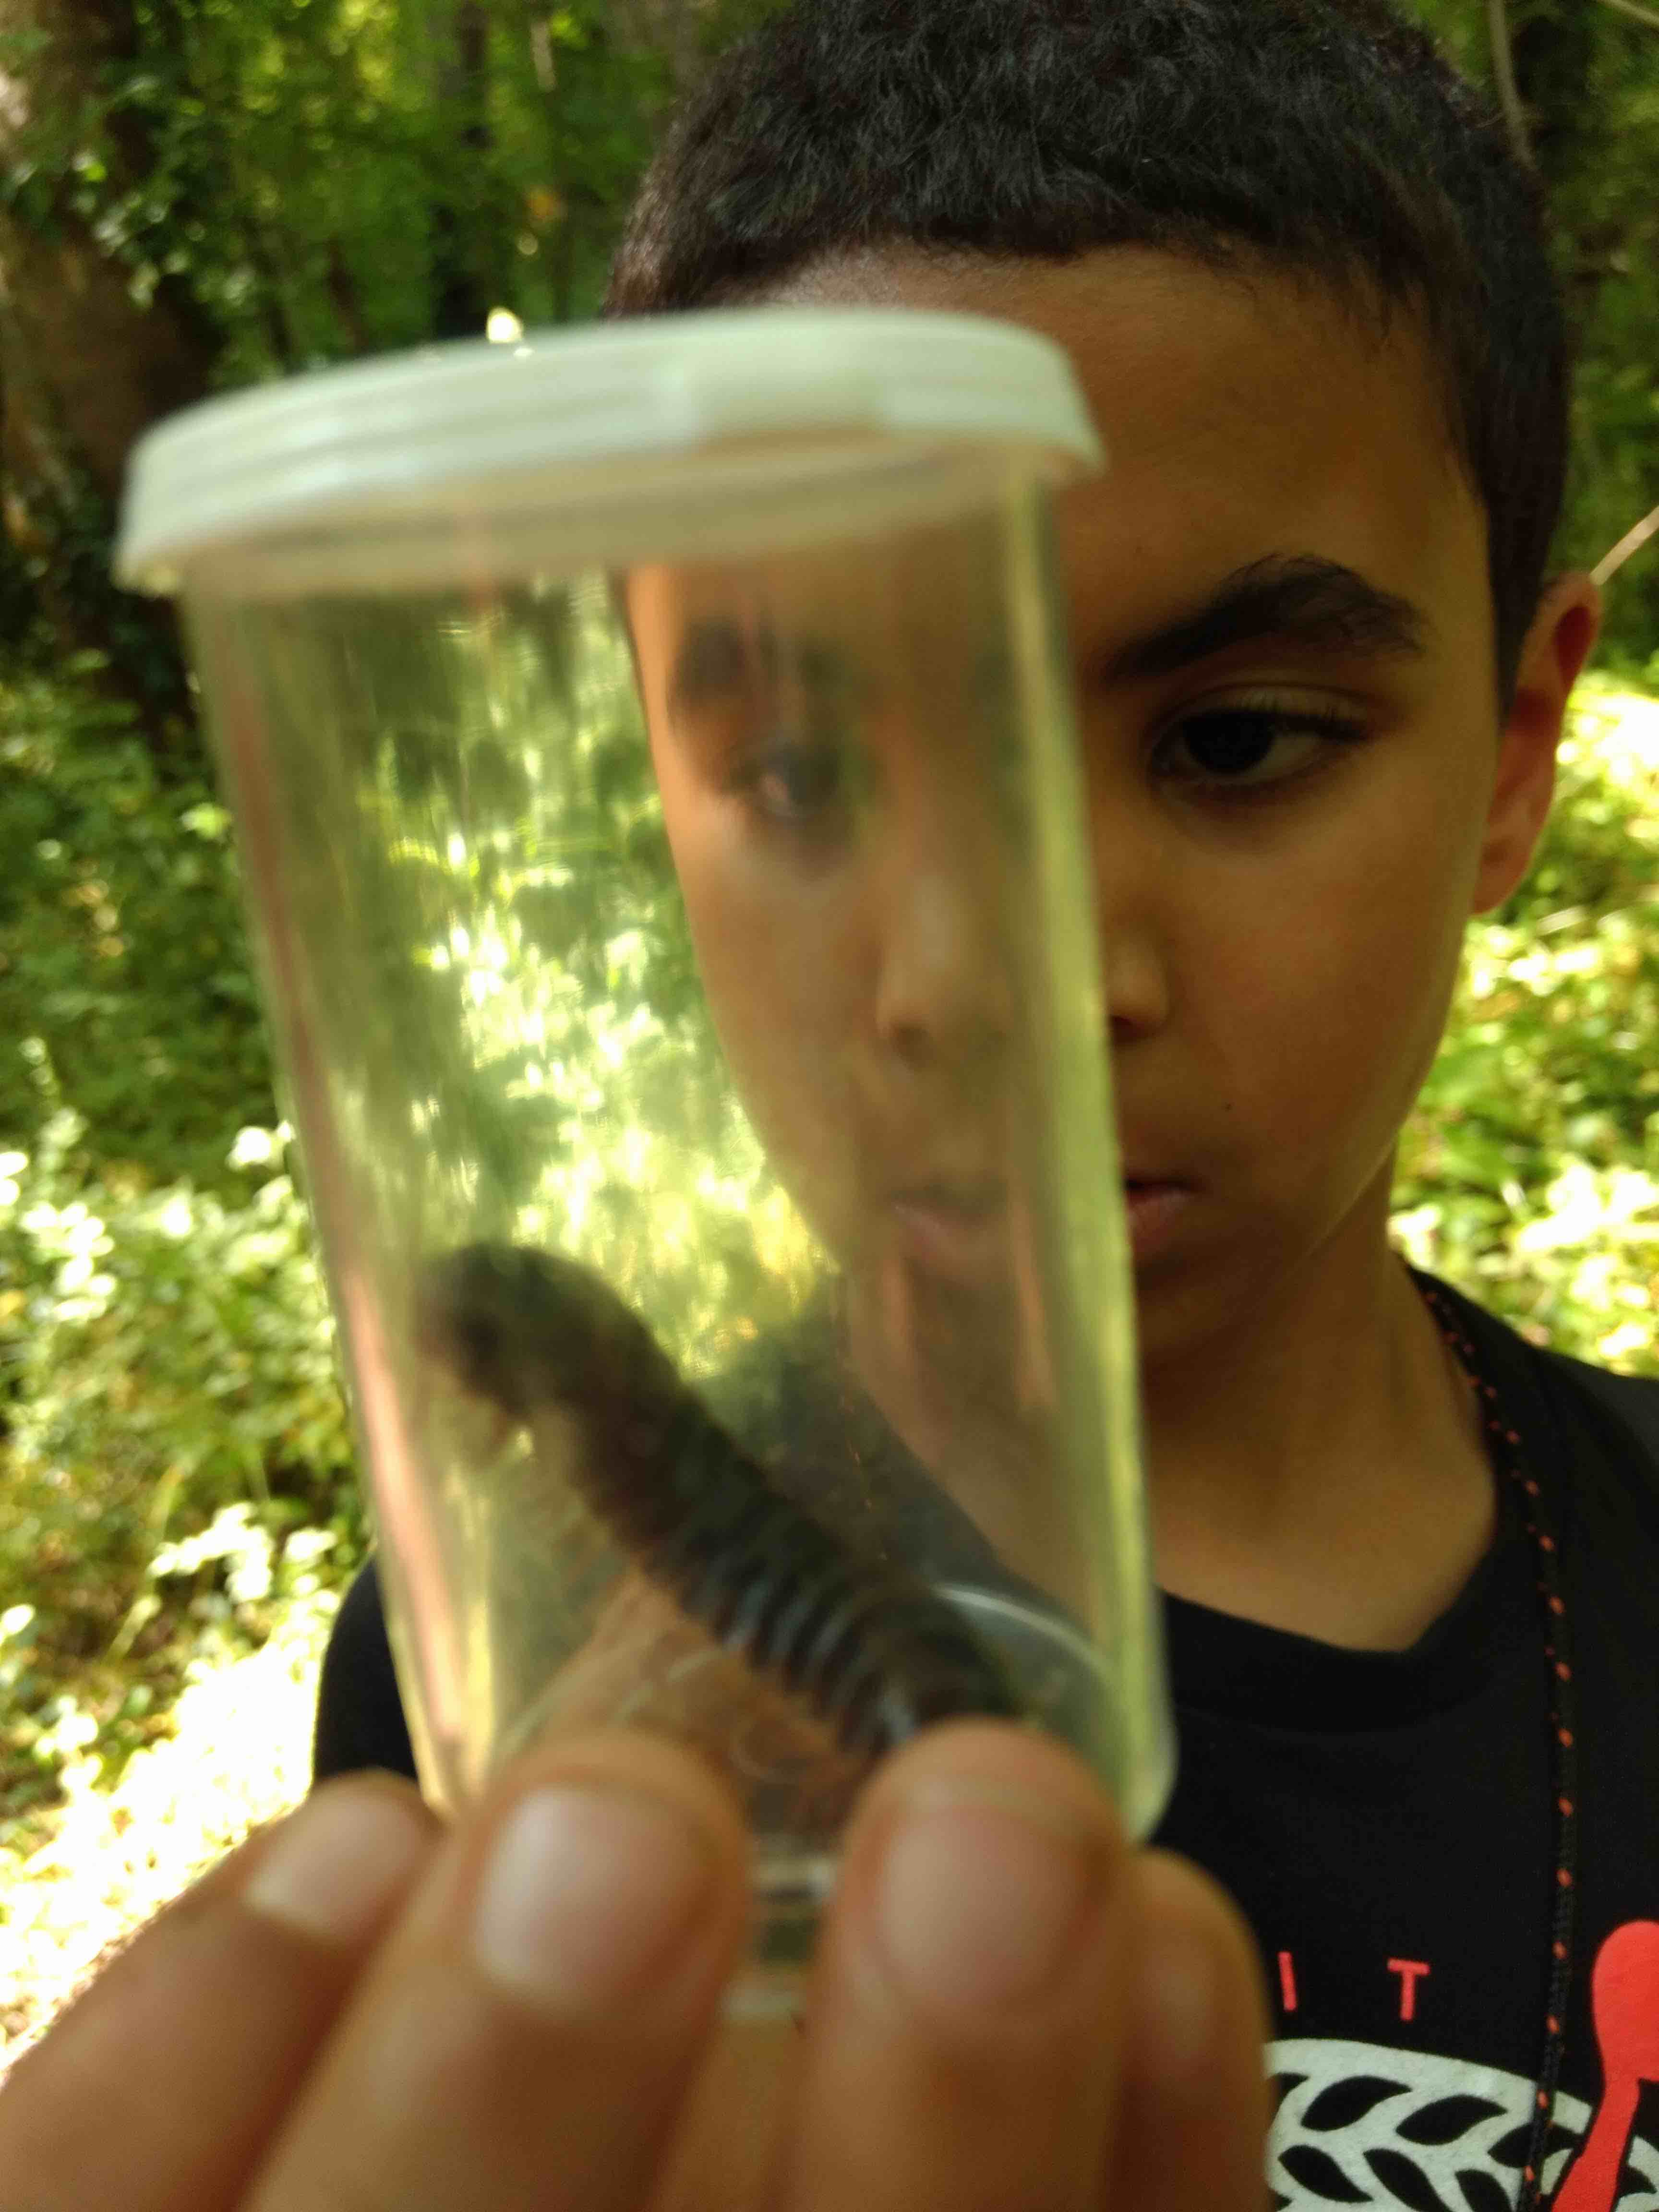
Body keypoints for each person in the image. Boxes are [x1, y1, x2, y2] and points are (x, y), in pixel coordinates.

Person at [8, 0, 1659, 2204]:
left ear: (1516, 753)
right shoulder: (518, 1689)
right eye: (804, 770)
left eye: (1239, 739)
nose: (1003, 982)